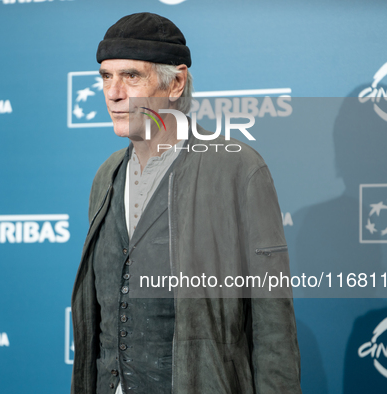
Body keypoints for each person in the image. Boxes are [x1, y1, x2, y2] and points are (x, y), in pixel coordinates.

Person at [71, 12, 301, 394]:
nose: (114, 93)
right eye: (106, 77)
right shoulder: (106, 177)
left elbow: (272, 323)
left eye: (131, 76)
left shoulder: (238, 168)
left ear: (175, 82)